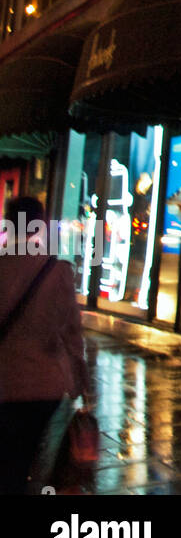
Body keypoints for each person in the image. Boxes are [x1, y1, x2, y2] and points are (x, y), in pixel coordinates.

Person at [0, 196, 92, 495]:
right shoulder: (57, 271)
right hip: (44, 386)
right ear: (37, 226)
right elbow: (72, 335)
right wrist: (82, 383)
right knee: (27, 452)